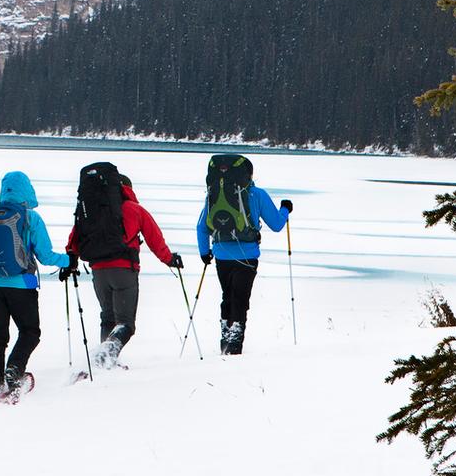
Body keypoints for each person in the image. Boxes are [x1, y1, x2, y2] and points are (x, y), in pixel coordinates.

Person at [65, 164, 182, 368]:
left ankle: (106, 362)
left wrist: (71, 259)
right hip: (123, 270)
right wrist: (169, 259)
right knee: (125, 323)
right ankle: (104, 358)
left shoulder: (91, 210)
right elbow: (155, 239)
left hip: (98, 271)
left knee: (107, 317)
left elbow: (76, 236)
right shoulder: (133, 209)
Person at [0, 170, 70, 398]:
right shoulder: (31, 218)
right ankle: (14, 372)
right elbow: (45, 256)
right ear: (28, 190)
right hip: (22, 286)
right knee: (30, 332)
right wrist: (67, 260)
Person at [194, 153, 291, 355]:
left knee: (227, 296)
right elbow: (277, 225)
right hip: (247, 256)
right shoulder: (257, 194)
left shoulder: (213, 195)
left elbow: (201, 227)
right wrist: (285, 209)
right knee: (240, 300)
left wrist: (205, 252)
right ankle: (234, 346)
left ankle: (225, 340)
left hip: (221, 255)